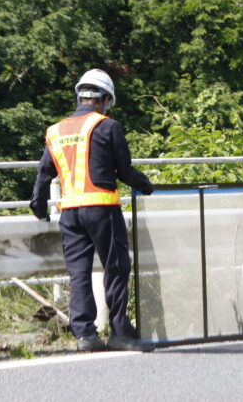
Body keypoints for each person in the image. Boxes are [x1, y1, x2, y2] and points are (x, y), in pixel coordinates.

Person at [30, 69, 155, 352]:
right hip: (101, 209)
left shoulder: (55, 131)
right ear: (105, 99)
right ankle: (120, 331)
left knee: (79, 273)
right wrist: (146, 186)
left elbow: (43, 173)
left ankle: (85, 335)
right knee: (116, 267)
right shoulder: (108, 126)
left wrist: (39, 207)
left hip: (70, 213)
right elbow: (124, 171)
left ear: (79, 95)